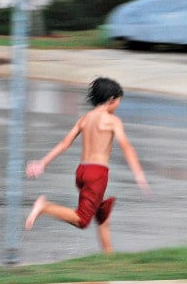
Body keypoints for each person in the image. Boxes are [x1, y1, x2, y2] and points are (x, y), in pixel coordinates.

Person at [25, 77, 149, 253]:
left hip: (82, 172)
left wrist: (42, 163)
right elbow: (127, 147)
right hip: (97, 175)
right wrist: (138, 173)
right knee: (82, 220)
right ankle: (44, 207)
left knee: (102, 214)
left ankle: (110, 258)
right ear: (112, 99)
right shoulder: (112, 121)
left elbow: (64, 143)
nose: (118, 106)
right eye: (118, 102)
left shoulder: (84, 118)